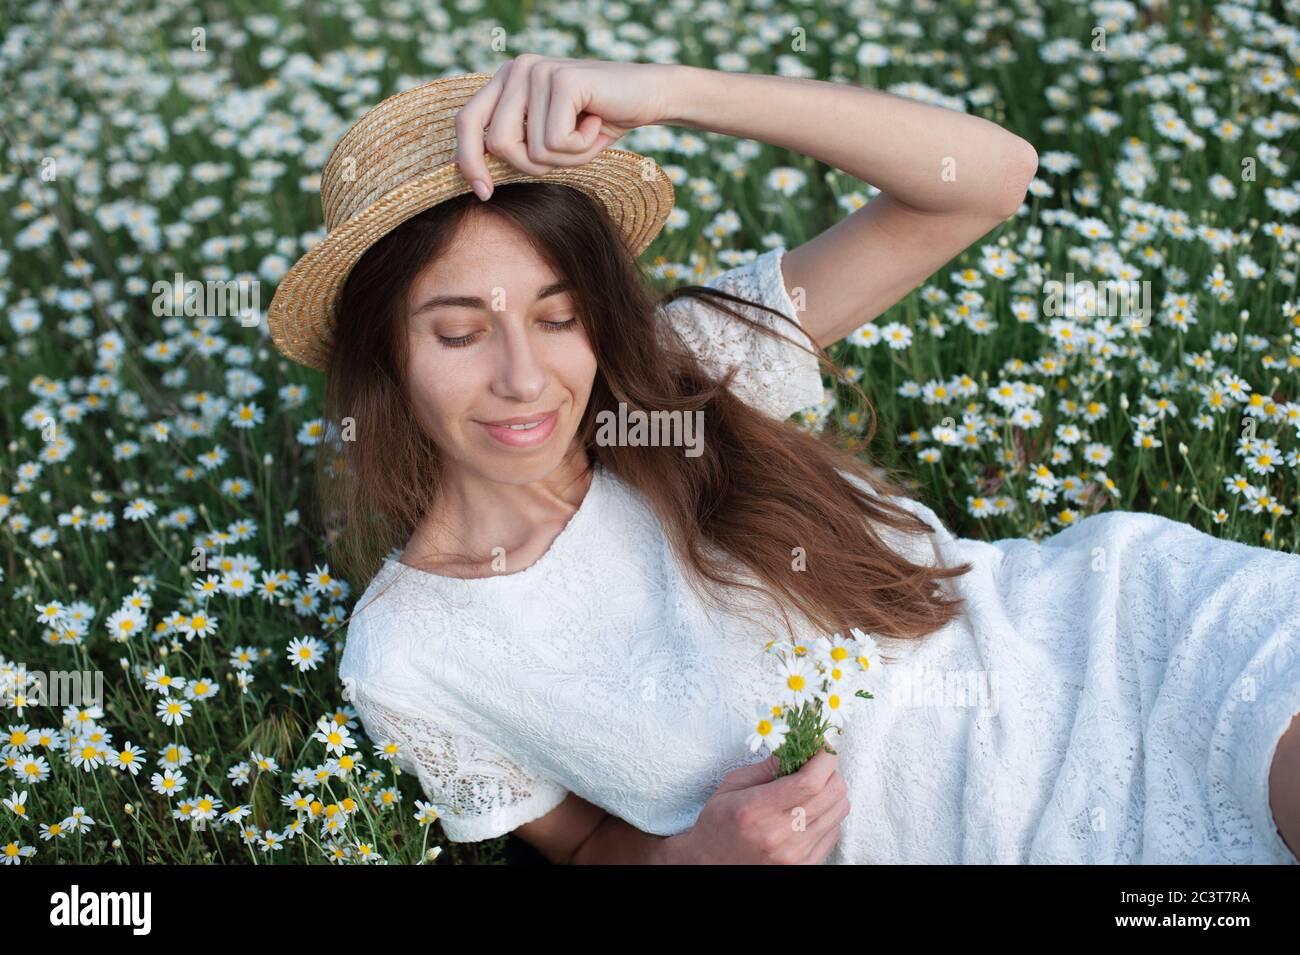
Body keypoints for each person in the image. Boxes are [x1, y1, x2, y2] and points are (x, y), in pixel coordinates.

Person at [267, 58, 1300, 864]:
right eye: (457, 334)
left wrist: (671, 91)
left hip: (1129, 648)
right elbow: (583, 845)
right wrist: (691, 854)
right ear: (385, 358)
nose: (524, 377)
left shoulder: (685, 372)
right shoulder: (408, 653)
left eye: (561, 316)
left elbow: (983, 181)